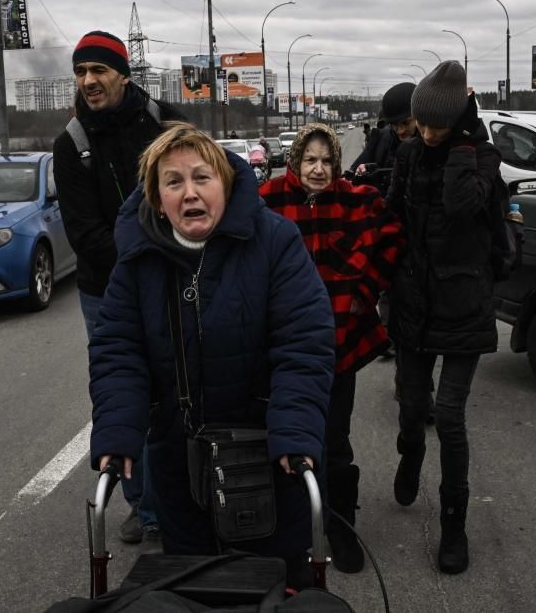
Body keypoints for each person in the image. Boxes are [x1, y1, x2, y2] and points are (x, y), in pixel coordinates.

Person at [88, 122, 335, 587]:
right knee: (195, 584)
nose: (189, 193)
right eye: (173, 182)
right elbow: (119, 350)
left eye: (202, 178)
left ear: (225, 183)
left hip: (269, 458)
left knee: (275, 582)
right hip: (179, 462)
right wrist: (119, 431)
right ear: (156, 196)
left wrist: (297, 430)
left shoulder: (274, 242)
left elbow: (303, 342)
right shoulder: (138, 259)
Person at [52, 29, 182, 546]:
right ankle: (144, 506)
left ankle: (189, 489)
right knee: (124, 391)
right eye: (81, 72)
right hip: (106, 289)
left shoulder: (165, 123)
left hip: (175, 274)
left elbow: (199, 183)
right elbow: (84, 233)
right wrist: (141, 261)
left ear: (123, 75)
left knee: (178, 384)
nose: (89, 81)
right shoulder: (71, 145)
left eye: (98, 71)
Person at [259, 123, 402, 573]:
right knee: (286, 435)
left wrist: (368, 287)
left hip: (339, 343)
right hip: (284, 346)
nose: (318, 169)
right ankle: (290, 526)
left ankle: (340, 525)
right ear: (296, 161)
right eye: (310, 160)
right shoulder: (269, 200)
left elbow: (391, 235)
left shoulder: (356, 199)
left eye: (326, 161)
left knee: (336, 441)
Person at [385, 61, 502, 575]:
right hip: (413, 304)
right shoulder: (409, 153)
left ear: (456, 120)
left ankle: (454, 526)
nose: (426, 133)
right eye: (422, 124)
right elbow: (391, 217)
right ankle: (409, 451)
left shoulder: (480, 155)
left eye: (437, 125)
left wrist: (461, 142)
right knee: (413, 406)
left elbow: (459, 208)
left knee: (450, 418)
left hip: (463, 305)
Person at [349, 82, 417, 175]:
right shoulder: (381, 139)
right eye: (394, 124)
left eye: (406, 123)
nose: (400, 131)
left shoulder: (435, 141)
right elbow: (351, 174)